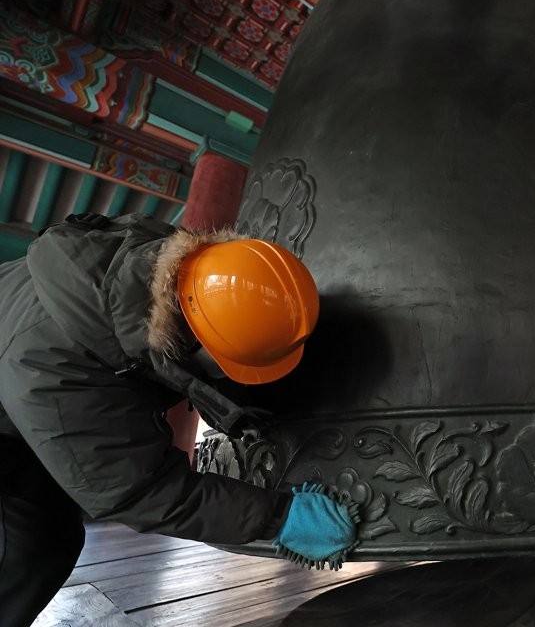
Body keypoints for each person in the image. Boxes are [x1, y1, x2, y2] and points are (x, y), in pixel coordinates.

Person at [0, 213, 357, 627]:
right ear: (194, 343)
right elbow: (139, 490)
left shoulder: (177, 269)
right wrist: (280, 518)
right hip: (14, 409)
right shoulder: (59, 372)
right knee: (34, 546)